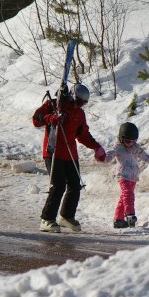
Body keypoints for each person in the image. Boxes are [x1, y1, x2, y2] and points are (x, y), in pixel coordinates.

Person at [32, 83, 106, 233]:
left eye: (83, 103)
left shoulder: (79, 114)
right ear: (72, 96)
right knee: (58, 186)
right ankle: (47, 219)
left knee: (74, 185)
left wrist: (96, 147)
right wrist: (50, 118)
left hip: (70, 153)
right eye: (78, 102)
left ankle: (66, 216)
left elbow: (83, 135)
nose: (80, 105)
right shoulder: (54, 105)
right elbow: (36, 119)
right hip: (53, 152)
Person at [101, 122, 149, 229]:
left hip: (133, 177)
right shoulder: (118, 148)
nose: (131, 144)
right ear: (121, 139)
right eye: (128, 141)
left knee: (124, 197)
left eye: (134, 141)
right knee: (128, 194)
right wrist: (101, 157)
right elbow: (108, 157)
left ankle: (118, 220)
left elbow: (147, 157)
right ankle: (130, 214)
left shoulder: (136, 148)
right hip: (123, 175)